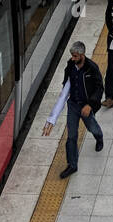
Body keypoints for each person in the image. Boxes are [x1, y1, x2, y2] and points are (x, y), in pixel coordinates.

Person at [41, 41, 104, 177]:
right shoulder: (71, 65)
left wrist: (90, 105)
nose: (73, 58)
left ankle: (99, 138)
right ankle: (72, 165)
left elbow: (99, 88)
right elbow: (66, 84)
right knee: (71, 136)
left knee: (92, 128)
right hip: (73, 106)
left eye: (75, 56)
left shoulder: (92, 68)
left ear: (82, 55)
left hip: (86, 106)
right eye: (72, 56)